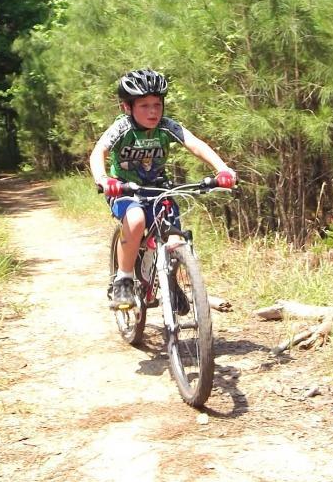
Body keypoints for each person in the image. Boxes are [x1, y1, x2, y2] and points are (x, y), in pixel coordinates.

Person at [90, 68, 236, 309]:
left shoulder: (167, 127)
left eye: (157, 104)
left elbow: (196, 144)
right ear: (127, 107)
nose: (153, 111)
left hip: (159, 190)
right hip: (125, 191)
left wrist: (222, 169)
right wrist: (104, 179)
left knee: (176, 239)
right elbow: (99, 152)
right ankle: (124, 279)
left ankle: (167, 280)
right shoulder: (122, 128)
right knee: (136, 220)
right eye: (144, 105)